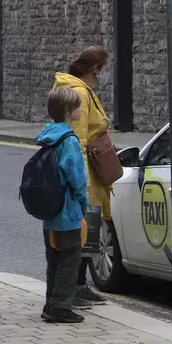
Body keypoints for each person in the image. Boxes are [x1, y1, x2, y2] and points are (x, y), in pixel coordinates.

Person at [53, 46, 114, 308]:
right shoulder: (80, 93)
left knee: (88, 230)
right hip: (86, 172)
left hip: (92, 169)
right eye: (105, 66)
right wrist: (83, 185)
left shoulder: (82, 90)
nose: (107, 71)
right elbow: (76, 139)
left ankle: (79, 286)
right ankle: (76, 289)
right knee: (84, 229)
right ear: (95, 68)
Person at [38, 85, 90, 324]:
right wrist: (84, 204)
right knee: (70, 258)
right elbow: (77, 178)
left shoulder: (49, 135)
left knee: (54, 260)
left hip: (50, 210)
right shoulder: (69, 141)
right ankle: (60, 307)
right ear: (69, 110)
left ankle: (51, 302)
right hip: (68, 211)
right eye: (78, 106)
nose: (81, 109)